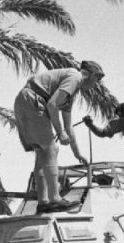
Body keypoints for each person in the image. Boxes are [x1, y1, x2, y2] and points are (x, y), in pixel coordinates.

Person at [14, 61, 105, 214]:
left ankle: (43, 202)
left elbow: (69, 127)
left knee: (42, 154)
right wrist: (60, 132)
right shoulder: (75, 77)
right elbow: (52, 105)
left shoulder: (69, 93)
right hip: (33, 101)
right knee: (51, 149)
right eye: (98, 79)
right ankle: (55, 198)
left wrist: (77, 153)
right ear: (90, 75)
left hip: (26, 101)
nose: (97, 84)